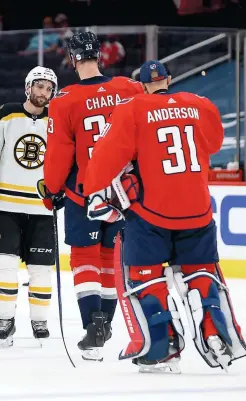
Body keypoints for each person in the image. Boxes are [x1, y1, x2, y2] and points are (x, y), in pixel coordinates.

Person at [83, 60, 246, 373]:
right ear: (169, 79)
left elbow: (107, 156)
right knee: (202, 274)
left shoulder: (132, 108)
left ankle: (163, 350)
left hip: (152, 213)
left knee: (146, 278)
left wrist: (93, 188)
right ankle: (217, 334)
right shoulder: (200, 105)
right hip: (198, 209)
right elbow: (212, 143)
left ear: (142, 84)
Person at [43, 31, 144, 361]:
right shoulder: (129, 89)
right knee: (110, 260)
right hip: (122, 193)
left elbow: (59, 153)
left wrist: (52, 190)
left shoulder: (64, 101)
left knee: (85, 257)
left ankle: (93, 325)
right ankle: (106, 325)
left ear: (73, 59)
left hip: (84, 192)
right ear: (99, 56)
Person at [0, 66, 58, 348]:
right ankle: (5, 321)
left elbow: (65, 156)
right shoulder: (6, 113)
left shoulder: (58, 119)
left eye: (48, 88)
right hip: (6, 204)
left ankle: (40, 321)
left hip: (42, 205)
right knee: (5, 266)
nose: (43, 93)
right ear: (28, 87)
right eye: (39, 86)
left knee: (40, 269)